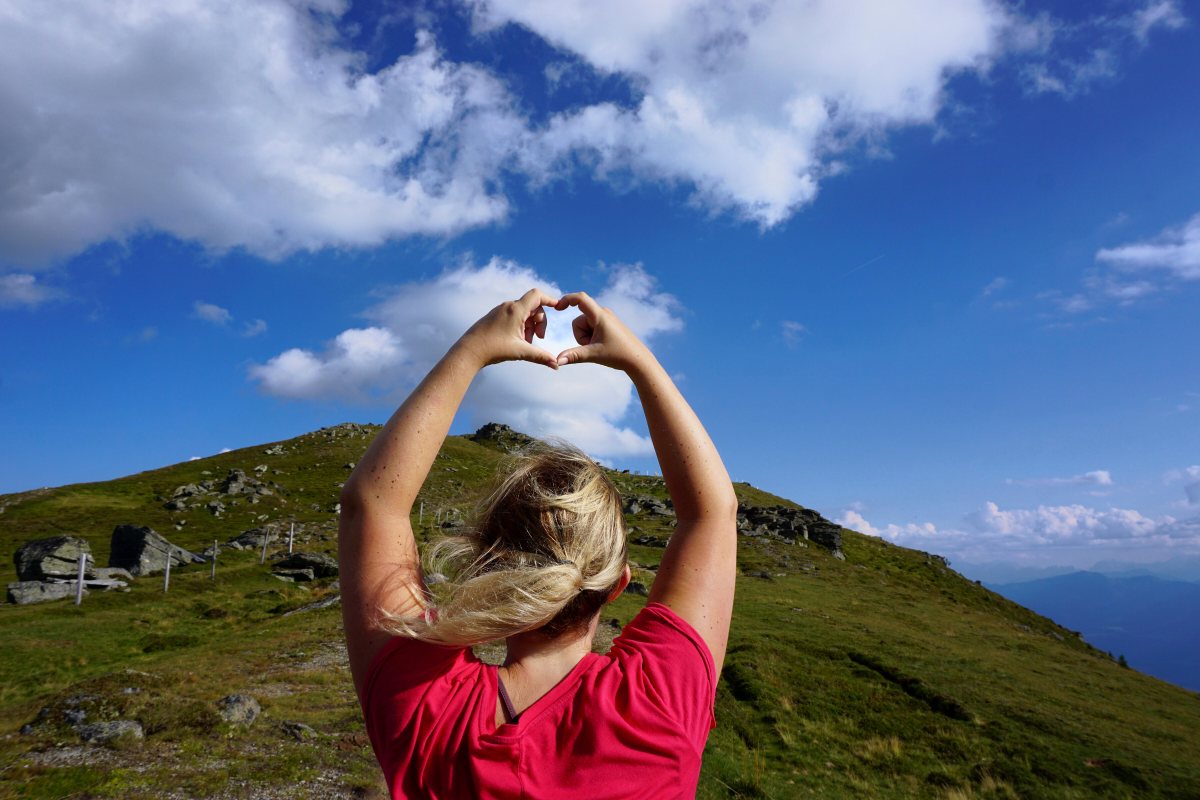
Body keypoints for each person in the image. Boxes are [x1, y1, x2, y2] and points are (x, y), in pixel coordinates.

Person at [339, 289, 738, 799]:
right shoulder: (657, 703)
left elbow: (372, 505)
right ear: (618, 584)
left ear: (489, 565)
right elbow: (712, 514)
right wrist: (638, 361)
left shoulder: (428, 707)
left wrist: (473, 350)